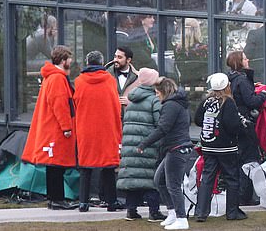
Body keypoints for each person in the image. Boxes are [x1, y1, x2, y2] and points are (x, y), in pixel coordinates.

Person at [21, 45, 77, 210]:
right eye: (69, 59)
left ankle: (54, 200)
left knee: (53, 166)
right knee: (56, 166)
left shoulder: (51, 77)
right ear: (63, 60)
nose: (71, 62)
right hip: (56, 130)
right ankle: (57, 200)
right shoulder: (57, 78)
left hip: (52, 128)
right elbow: (60, 104)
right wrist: (66, 127)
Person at [136, 78, 194, 230]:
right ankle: (173, 213)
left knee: (172, 184)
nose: (156, 96)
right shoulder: (177, 104)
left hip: (177, 148)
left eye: (157, 93)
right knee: (159, 180)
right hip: (174, 148)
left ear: (163, 91)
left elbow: (163, 128)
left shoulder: (170, 105)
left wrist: (144, 144)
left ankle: (182, 218)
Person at [73, 51, 122, 212]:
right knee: (108, 166)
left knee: (85, 167)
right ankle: (112, 202)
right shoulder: (110, 80)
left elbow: (76, 105)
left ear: (87, 63)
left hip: (86, 129)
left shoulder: (79, 81)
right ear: (101, 63)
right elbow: (116, 106)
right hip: (106, 129)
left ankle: (83, 203)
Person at [194, 73, 246, 222]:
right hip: (226, 148)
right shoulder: (228, 102)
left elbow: (198, 120)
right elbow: (233, 126)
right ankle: (232, 212)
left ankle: (201, 212)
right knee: (231, 178)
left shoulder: (206, 101)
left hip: (208, 147)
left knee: (207, 179)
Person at [117, 68, 165, 222]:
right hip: (148, 146)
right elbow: (160, 124)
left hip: (130, 146)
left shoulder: (132, 100)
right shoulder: (154, 100)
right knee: (151, 180)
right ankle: (154, 212)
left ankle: (131, 210)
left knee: (133, 179)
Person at [226, 51, 266, 205]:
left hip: (235, 124)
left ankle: (239, 195)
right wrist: (263, 94)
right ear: (239, 62)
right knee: (249, 159)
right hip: (246, 124)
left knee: (238, 160)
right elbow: (251, 101)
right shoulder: (242, 80)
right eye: (244, 58)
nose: (248, 59)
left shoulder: (231, 79)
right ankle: (245, 196)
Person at [107, 46, 139, 117]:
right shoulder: (105, 76)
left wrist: (131, 102)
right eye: (115, 56)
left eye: (119, 57)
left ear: (128, 60)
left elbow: (144, 101)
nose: (115, 59)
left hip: (130, 121)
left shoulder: (138, 78)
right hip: (111, 119)